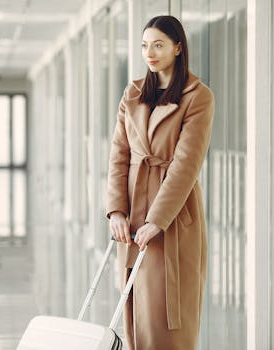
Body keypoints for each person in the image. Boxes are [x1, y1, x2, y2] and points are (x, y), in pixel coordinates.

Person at [106, 15, 214, 349]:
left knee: (166, 316)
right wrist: (116, 211)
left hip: (172, 218)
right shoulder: (134, 92)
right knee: (134, 309)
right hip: (133, 212)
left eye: (158, 45)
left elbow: (186, 165)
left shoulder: (198, 96)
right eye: (144, 45)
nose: (149, 53)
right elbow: (119, 154)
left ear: (178, 47)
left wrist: (157, 220)